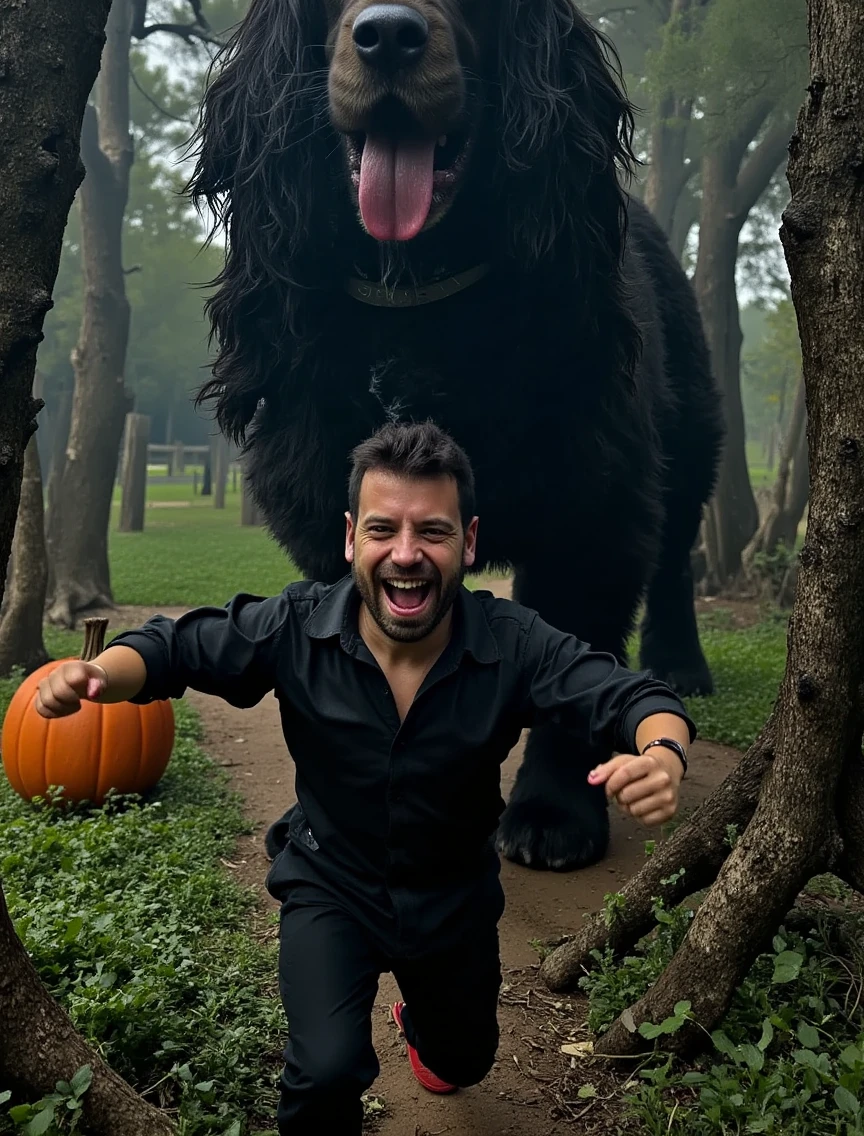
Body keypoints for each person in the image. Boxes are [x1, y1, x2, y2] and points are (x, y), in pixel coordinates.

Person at [36, 420, 696, 1134]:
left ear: (468, 543)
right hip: (330, 885)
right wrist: (99, 672)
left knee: (463, 1062)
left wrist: (661, 753)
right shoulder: (295, 625)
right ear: (351, 537)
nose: (406, 555)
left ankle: (425, 1021)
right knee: (324, 1072)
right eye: (383, 530)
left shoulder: (513, 642)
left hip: (453, 899)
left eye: (432, 533)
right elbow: (176, 647)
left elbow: (632, 695)